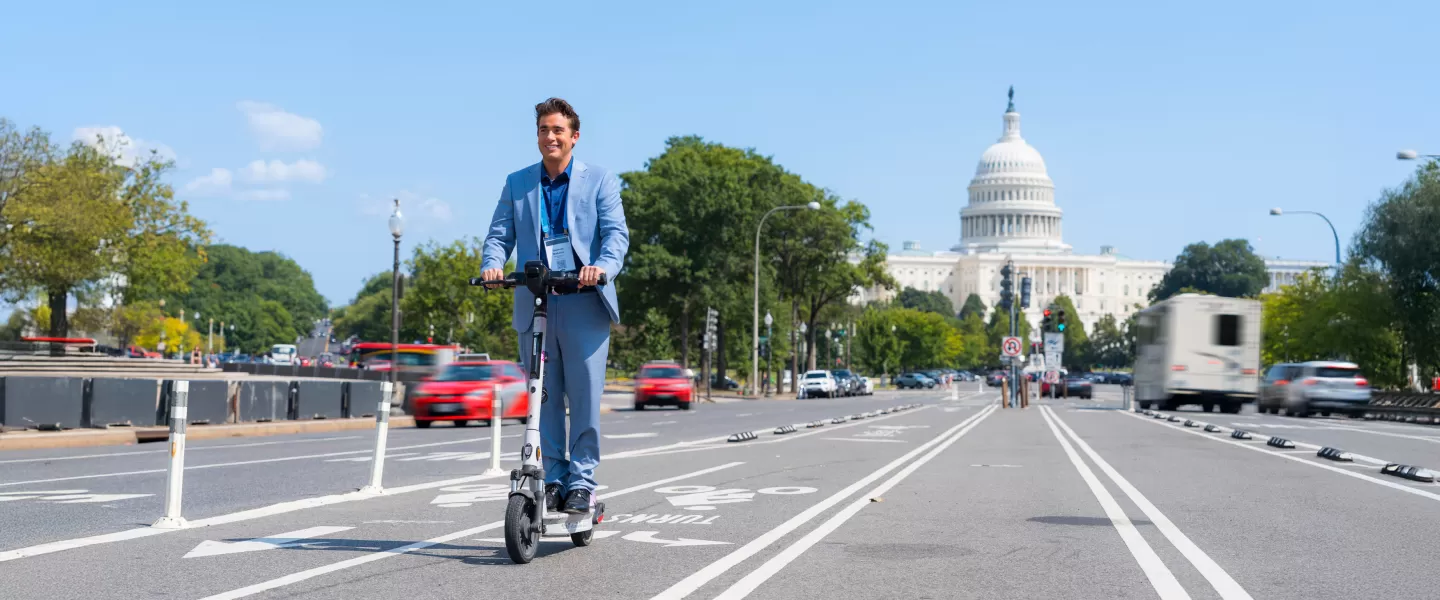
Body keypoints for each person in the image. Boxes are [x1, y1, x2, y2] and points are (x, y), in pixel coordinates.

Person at [480, 97, 630, 515]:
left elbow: (616, 236)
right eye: (544, 129)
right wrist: (493, 265)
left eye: (558, 130)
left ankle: (582, 483)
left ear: (574, 137)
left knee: (583, 399)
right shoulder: (518, 183)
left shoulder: (600, 180)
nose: (550, 136)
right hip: (536, 302)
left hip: (583, 302)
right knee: (542, 397)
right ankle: (556, 479)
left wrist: (602, 267)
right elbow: (498, 235)